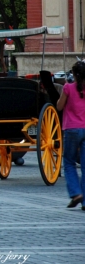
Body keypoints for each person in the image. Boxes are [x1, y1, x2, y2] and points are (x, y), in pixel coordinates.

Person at [58, 61, 85, 209]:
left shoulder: (68, 88)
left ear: (73, 74)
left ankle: (76, 193)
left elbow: (59, 106)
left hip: (72, 129)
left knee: (69, 163)